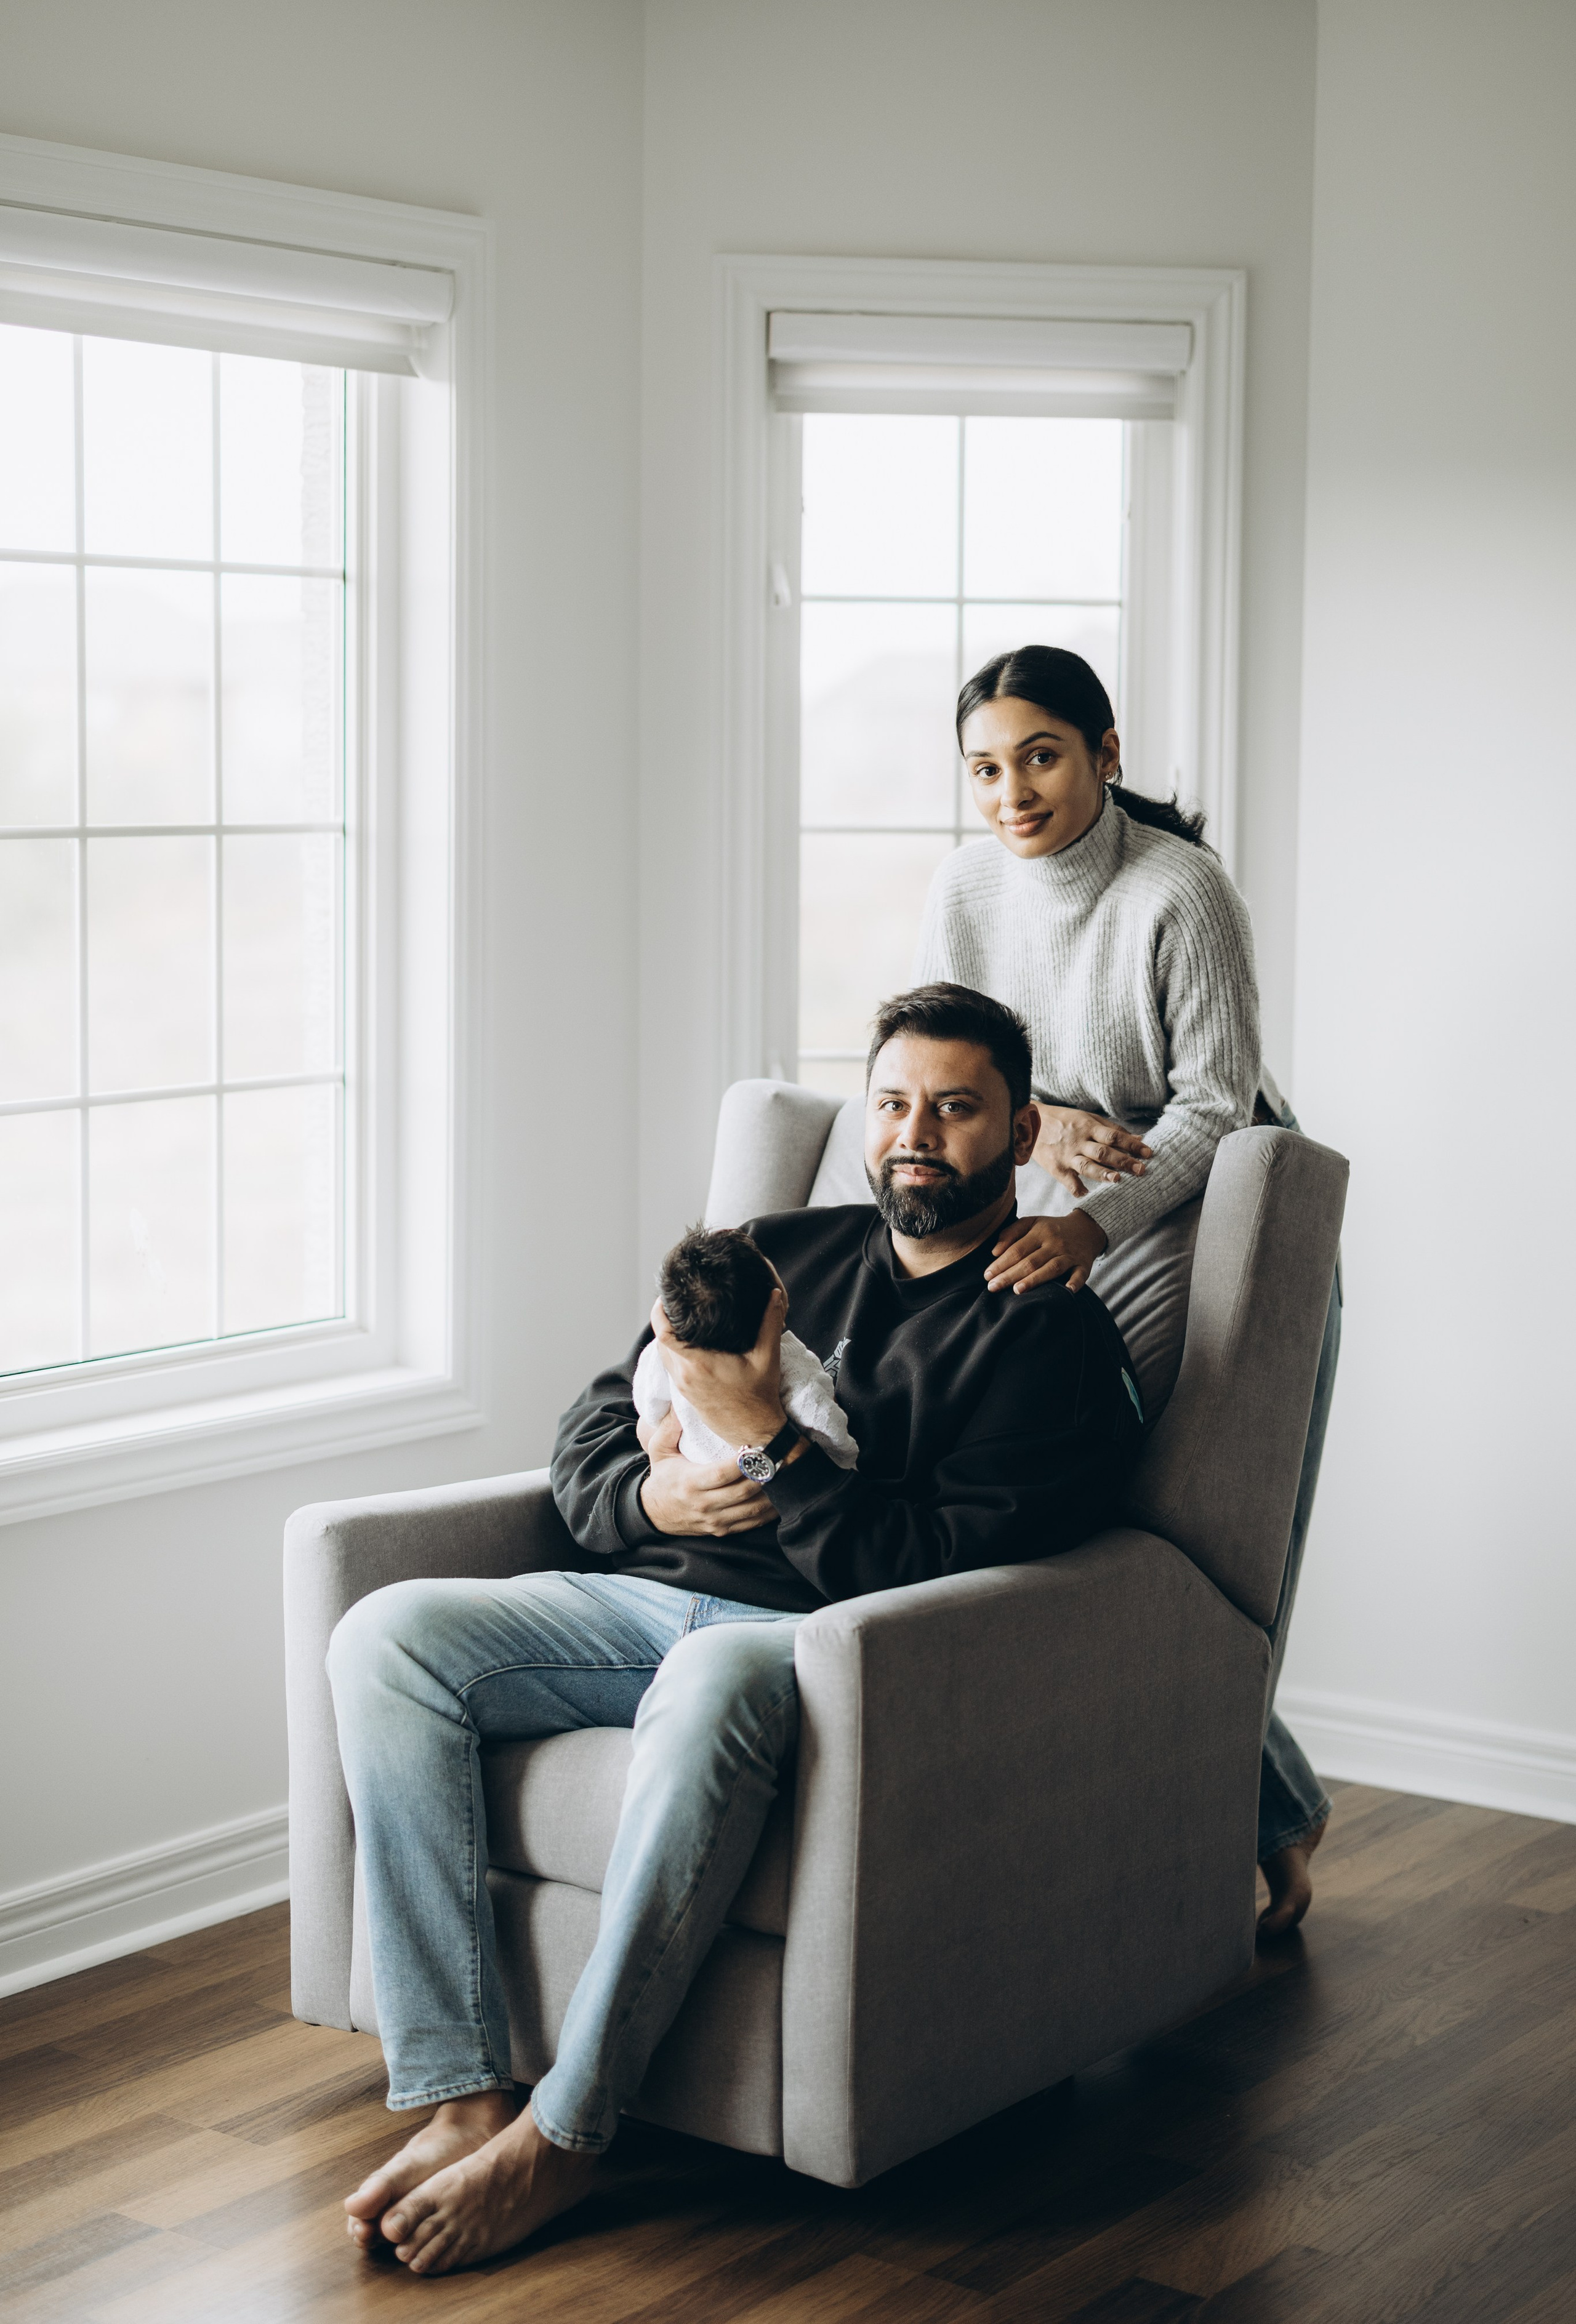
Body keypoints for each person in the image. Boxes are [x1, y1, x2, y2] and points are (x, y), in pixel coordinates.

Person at [329, 983, 1143, 2276]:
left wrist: (771, 1442)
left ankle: (570, 2132)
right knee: (387, 1637)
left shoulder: (1044, 1337)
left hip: (818, 1645)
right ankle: (465, 2090)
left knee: (711, 1675)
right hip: (639, 1597)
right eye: (890, 1104)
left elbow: (927, 1569)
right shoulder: (773, 1250)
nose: (914, 1132)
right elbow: (591, 1424)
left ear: (1019, 1126)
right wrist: (648, 1493)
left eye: (954, 1107)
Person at [911, 644, 1339, 1939]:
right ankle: (1269, 1806)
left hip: (1227, 1231)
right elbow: (957, 1061)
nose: (1010, 792)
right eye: (983, 767)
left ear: (1103, 752)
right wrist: (1036, 1131)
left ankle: (1260, 1817)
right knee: (1060, 1503)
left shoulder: (1180, 893)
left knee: (1185, 1539)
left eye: (1038, 755)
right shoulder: (969, 884)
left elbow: (1218, 1103)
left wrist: (1094, 1220)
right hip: (1064, 1208)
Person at [630, 1222, 857, 1469]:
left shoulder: (663, 1355)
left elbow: (648, 1408)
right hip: (776, 1493)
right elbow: (838, 1453)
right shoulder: (799, 1373)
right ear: (778, 1299)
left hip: (693, 1465)